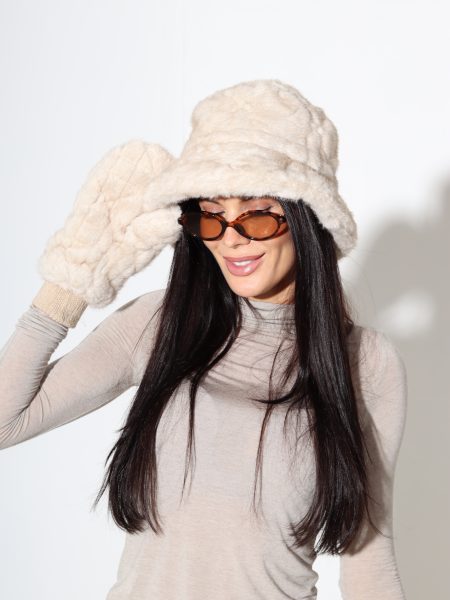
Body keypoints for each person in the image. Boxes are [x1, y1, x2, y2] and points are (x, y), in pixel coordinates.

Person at [0, 79, 408, 599]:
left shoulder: (366, 362)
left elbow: (368, 556)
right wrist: (69, 284)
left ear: (306, 219)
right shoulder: (159, 324)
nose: (232, 238)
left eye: (257, 215)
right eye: (211, 217)